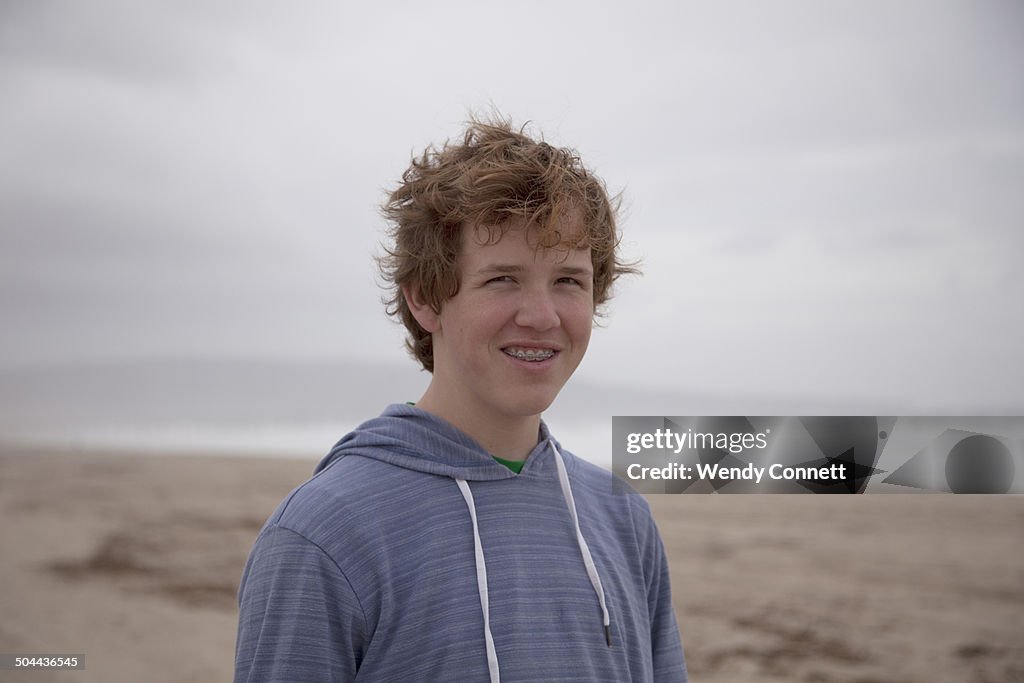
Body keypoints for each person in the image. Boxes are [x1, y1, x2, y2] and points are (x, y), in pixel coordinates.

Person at [234, 116, 688, 682]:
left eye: (569, 281)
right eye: (503, 279)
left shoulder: (624, 519)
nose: (542, 316)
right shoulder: (326, 534)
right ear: (427, 299)